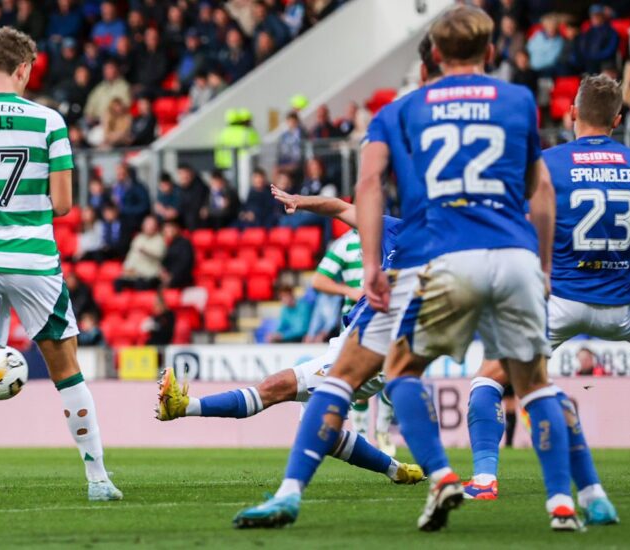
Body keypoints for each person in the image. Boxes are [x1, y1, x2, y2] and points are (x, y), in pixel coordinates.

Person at [234, 8, 578, 532]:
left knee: (354, 375)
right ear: (489, 53)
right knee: (533, 385)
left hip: (432, 257)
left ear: (433, 58)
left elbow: (368, 188)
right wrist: (546, 267)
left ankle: (292, 494)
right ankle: (562, 506)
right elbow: (543, 192)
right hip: (512, 257)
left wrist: (372, 264)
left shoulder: (402, 110)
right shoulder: (519, 101)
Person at [464, 76, 630, 514]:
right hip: (620, 306)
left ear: (572, 113)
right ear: (618, 120)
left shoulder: (546, 163)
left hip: (558, 302)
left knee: (488, 379)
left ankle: (485, 478)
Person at [0, 27, 121, 504]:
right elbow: (62, 205)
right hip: (33, 257)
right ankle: (98, 479)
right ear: (24, 69)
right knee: (67, 371)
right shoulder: (48, 121)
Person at [157, 191, 425, 486]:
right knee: (323, 432)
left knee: (277, 386)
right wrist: (299, 200)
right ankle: (395, 470)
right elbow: (339, 207)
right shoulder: (389, 228)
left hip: (375, 347)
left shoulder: (438, 254)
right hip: (352, 337)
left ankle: (185, 406)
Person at [115, 215, 166, 291]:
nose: (150, 227)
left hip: (149, 276)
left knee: (142, 284)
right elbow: (131, 256)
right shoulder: (138, 238)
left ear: (156, 226)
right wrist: (127, 268)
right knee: (118, 282)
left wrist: (147, 252)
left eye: (152, 225)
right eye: (147, 224)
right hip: (134, 275)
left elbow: (159, 256)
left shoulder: (160, 239)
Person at [581, 4, 619, 74]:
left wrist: (598, 56)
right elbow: (584, 48)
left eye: (597, 15)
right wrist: (590, 57)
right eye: (593, 15)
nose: (595, 18)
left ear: (602, 16)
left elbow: (611, 49)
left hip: (606, 62)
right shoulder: (588, 32)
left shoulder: (610, 31)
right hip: (592, 62)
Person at [160, 220, 194, 289]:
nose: (168, 231)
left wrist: (172, 275)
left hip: (181, 278)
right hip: (168, 277)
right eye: (166, 229)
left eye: (171, 228)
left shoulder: (184, 243)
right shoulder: (164, 245)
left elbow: (185, 262)